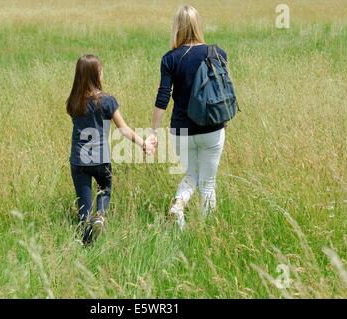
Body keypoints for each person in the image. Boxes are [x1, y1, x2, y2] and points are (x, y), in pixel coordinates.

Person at [146, 5, 228, 230]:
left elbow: (163, 97)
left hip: (181, 130)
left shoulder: (170, 59)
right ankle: (207, 231)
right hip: (212, 128)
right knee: (208, 182)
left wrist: (153, 132)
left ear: (177, 28)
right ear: (198, 25)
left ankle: (177, 208)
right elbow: (222, 93)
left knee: (190, 176)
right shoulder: (217, 53)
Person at [67, 54, 155, 244]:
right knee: (104, 189)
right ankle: (101, 216)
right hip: (101, 159)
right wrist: (144, 144)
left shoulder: (73, 101)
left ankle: (86, 238)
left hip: (79, 160)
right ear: (95, 75)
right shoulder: (107, 101)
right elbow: (123, 129)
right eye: (101, 70)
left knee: (83, 205)